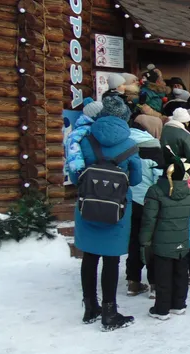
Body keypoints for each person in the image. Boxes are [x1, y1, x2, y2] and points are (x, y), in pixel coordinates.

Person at [71, 98, 142, 331]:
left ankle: (90, 307)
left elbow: (75, 176)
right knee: (111, 259)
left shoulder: (86, 138)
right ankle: (110, 312)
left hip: (87, 204)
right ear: (124, 118)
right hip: (117, 207)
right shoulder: (130, 144)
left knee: (90, 256)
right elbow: (136, 179)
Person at [140, 153, 190, 320]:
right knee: (180, 273)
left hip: (162, 242)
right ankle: (178, 304)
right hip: (182, 241)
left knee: (163, 275)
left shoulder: (156, 191)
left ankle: (161, 309)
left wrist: (144, 241)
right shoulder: (188, 192)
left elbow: (149, 219)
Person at [126, 117, 164, 298]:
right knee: (151, 242)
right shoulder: (153, 147)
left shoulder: (124, 145)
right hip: (150, 203)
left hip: (130, 200)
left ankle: (132, 282)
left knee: (134, 241)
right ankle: (155, 283)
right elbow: (159, 176)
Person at [64, 98, 102, 177]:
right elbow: (72, 146)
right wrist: (78, 169)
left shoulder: (97, 127)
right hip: (85, 170)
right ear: (95, 115)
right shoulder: (83, 130)